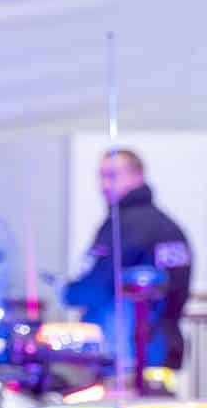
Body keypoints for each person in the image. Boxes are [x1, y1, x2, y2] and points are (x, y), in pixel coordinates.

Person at [62, 147, 194, 373]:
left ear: (137, 175)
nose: (104, 185)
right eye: (101, 176)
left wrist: (67, 291)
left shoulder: (124, 227)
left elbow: (95, 287)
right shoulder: (169, 227)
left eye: (112, 176)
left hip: (129, 354)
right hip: (166, 349)